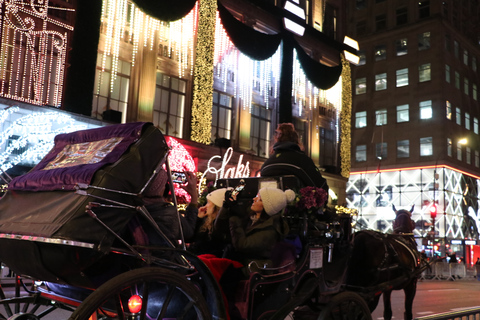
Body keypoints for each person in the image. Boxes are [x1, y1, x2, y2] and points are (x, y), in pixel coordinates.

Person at [225, 187, 295, 274]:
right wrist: (226, 206)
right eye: (256, 196)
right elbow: (219, 230)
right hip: (240, 263)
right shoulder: (250, 217)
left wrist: (234, 217)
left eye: (260, 199)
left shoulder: (270, 231)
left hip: (252, 270)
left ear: (267, 208)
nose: (254, 199)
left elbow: (242, 244)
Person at [260, 123, 329, 194]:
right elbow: (320, 186)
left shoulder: (267, 164)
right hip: (295, 203)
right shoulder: (302, 160)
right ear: (297, 141)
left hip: (268, 203)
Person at [141, 169, 198, 245]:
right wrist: (194, 196)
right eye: (164, 184)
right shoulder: (167, 214)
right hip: (164, 255)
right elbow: (189, 233)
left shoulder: (131, 205)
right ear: (159, 188)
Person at [188, 188, 230, 257]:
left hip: (208, 260)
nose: (205, 205)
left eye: (208, 202)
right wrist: (198, 218)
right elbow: (190, 238)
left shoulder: (220, 224)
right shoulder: (206, 220)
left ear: (216, 206)